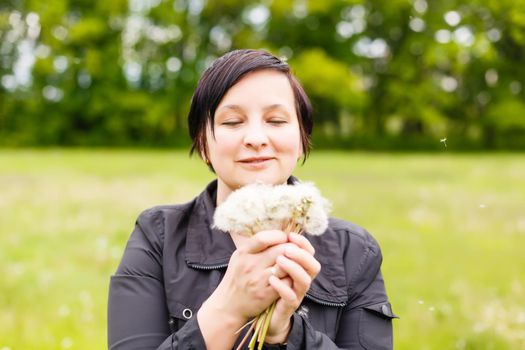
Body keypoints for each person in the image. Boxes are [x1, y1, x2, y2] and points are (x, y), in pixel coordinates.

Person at [108, 49, 397, 350]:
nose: (256, 138)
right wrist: (229, 308)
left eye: (276, 120)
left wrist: (285, 334)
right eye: (233, 122)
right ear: (203, 144)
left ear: (301, 139)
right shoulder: (159, 236)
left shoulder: (354, 252)